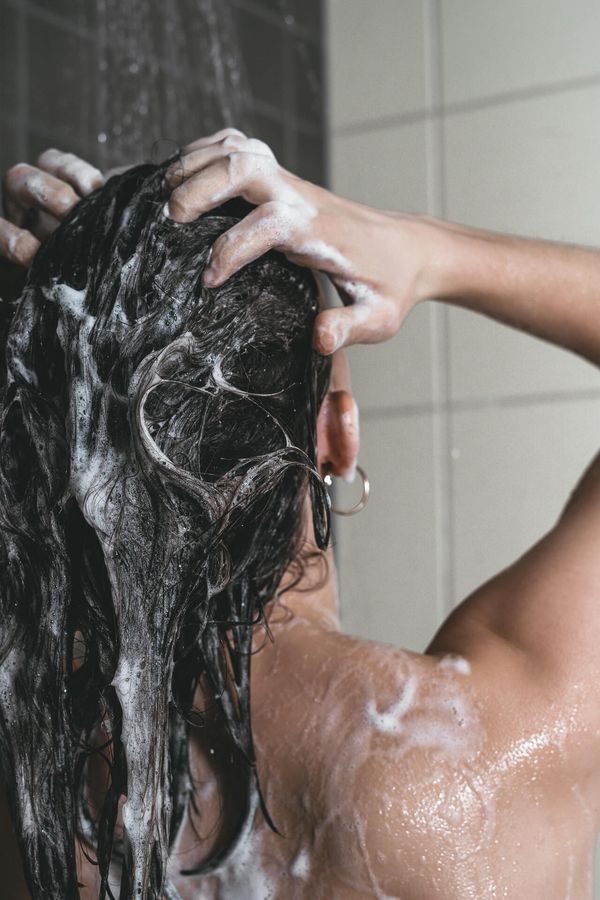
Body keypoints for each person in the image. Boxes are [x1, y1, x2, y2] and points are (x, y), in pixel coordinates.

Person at [1, 130, 600, 899]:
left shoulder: (38, 789)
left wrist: (78, 327)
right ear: (338, 433)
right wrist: (421, 248)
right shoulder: (472, 766)